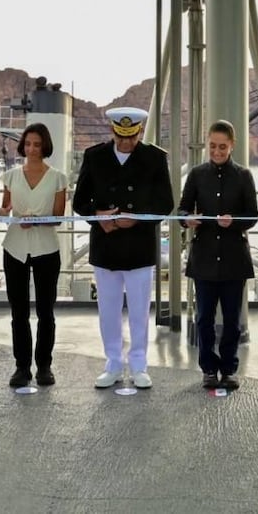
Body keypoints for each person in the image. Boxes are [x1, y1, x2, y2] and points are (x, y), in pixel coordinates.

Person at [72, 106, 174, 389]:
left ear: (140, 132)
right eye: (121, 137)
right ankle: (113, 363)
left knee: (140, 310)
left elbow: (165, 202)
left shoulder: (154, 158)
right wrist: (99, 217)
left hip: (139, 245)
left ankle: (139, 364)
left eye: (131, 137)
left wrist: (138, 218)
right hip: (105, 244)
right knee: (108, 308)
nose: (126, 143)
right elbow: (80, 202)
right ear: (112, 131)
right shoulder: (95, 157)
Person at [178, 120, 258, 390]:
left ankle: (229, 369)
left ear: (232, 145)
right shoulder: (197, 174)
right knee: (204, 319)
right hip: (204, 258)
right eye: (213, 146)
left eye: (222, 146)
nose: (217, 151)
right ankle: (209, 369)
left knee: (233, 321)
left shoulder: (244, 175)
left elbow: (253, 216)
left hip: (235, 258)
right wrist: (188, 220)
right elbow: (182, 210)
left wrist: (234, 221)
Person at [0, 123, 67, 388]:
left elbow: (58, 218)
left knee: (45, 311)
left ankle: (45, 366)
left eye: (37, 144)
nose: (31, 149)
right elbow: (5, 207)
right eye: (28, 144)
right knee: (18, 312)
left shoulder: (58, 178)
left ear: (45, 146)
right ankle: (21, 367)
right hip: (14, 248)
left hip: (46, 249)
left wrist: (37, 220)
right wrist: (6, 213)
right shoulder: (11, 176)